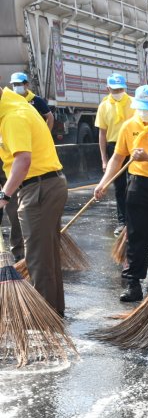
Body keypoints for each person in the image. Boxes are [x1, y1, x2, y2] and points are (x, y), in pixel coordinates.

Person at [94, 85, 148, 302]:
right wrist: (104, 182)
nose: (143, 112)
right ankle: (133, 283)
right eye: (140, 107)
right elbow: (117, 157)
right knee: (136, 235)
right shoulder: (129, 125)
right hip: (138, 184)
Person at [0, 87, 67, 315]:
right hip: (45, 185)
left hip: (38, 188)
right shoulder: (13, 107)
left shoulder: (13, 116)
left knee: (38, 259)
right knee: (46, 257)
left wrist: (4, 197)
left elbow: (23, 161)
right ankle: (53, 313)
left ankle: (43, 317)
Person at [95, 73, 134, 237]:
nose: (118, 91)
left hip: (133, 148)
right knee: (119, 187)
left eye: (120, 88)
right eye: (114, 89)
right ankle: (122, 221)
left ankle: (134, 219)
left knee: (134, 185)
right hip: (114, 148)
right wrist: (104, 159)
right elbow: (102, 134)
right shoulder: (104, 106)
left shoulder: (133, 103)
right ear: (108, 89)